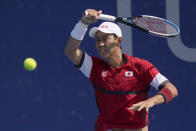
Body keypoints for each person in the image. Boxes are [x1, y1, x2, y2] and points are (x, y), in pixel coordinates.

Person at [64, 9, 178, 131]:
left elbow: (171, 89)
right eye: (98, 40)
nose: (100, 44)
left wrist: (151, 101)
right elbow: (70, 51)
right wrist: (83, 23)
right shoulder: (94, 67)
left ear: (118, 41)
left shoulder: (140, 66)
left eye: (105, 38)